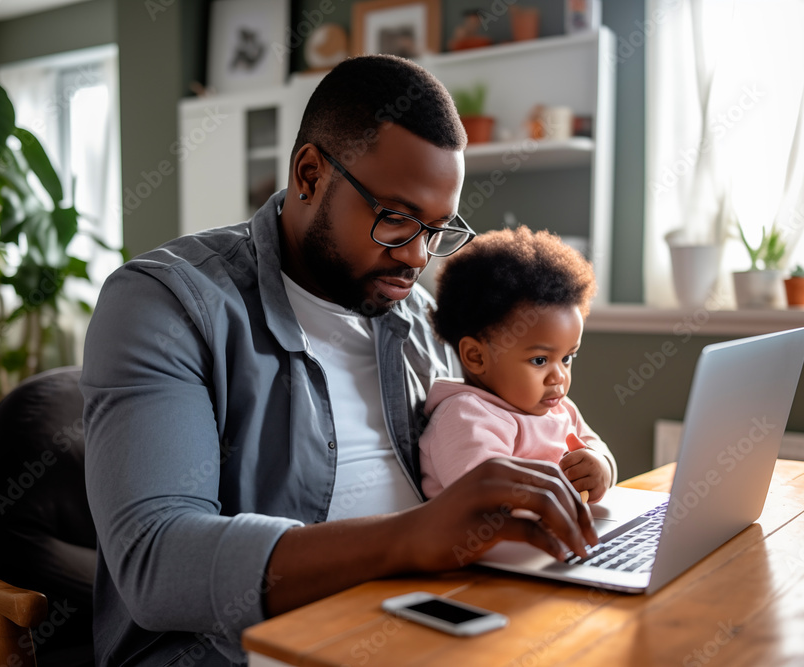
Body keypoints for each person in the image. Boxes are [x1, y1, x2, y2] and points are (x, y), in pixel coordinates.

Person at [81, 55, 599, 666]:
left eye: (436, 230)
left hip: (420, 617)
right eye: (398, 219)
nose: (417, 257)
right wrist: (411, 539)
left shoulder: (416, 317)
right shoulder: (165, 304)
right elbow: (155, 561)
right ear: (309, 174)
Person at [419, 227, 617, 503]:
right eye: (540, 360)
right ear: (476, 357)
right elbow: (488, 502)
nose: (559, 376)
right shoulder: (466, 417)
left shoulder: (560, 408)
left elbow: (597, 448)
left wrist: (600, 467)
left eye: (567, 358)